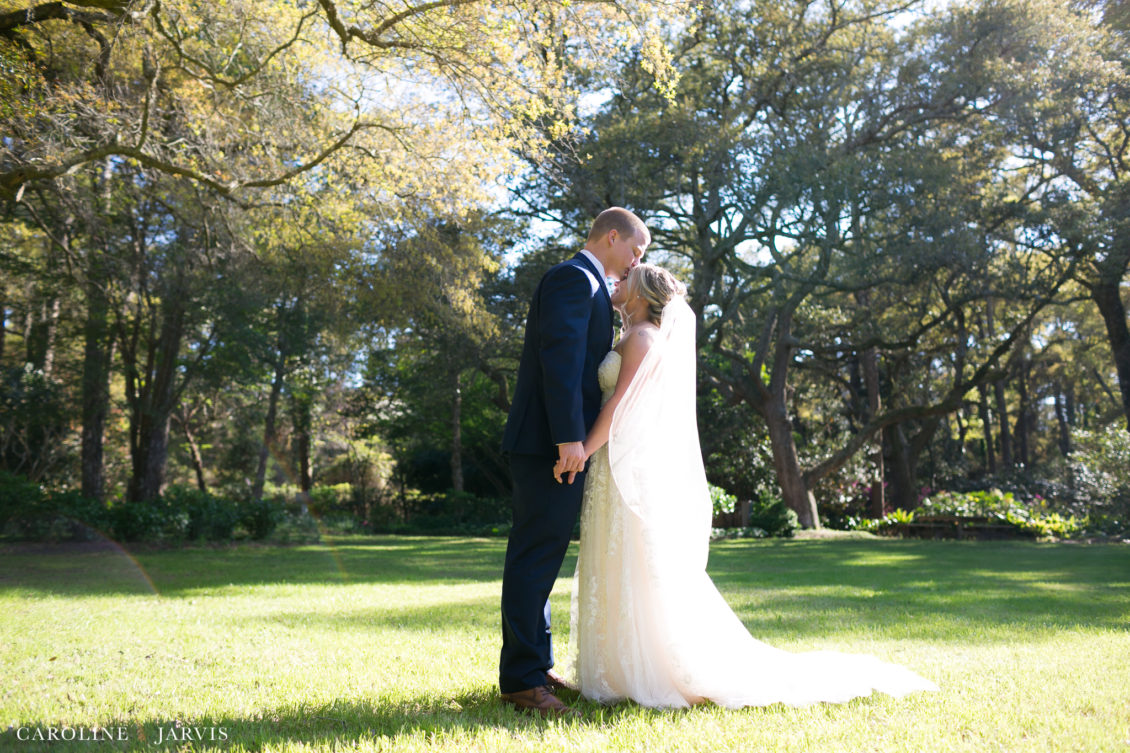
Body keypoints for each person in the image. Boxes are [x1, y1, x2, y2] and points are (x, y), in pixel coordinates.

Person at [566, 263, 939, 708]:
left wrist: (583, 449)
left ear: (642, 294)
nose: (616, 282)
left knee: (635, 562)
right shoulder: (631, 335)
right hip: (616, 464)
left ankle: (657, 668)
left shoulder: (643, 340)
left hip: (620, 465)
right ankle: (622, 669)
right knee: (617, 558)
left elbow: (621, 408)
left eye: (626, 279)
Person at [499, 207, 650, 716]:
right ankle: (521, 680)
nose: (635, 262)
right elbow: (559, 360)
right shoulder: (573, 278)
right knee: (534, 556)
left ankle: (535, 667)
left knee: (543, 557)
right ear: (612, 237)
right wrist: (569, 439)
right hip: (549, 444)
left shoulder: (590, 285)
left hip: (557, 445)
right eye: (635, 250)